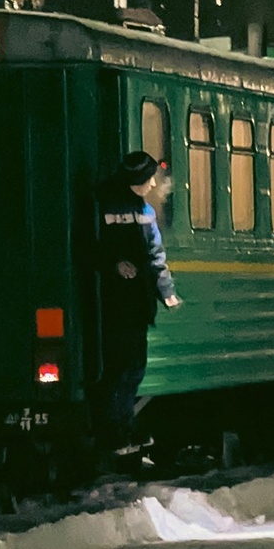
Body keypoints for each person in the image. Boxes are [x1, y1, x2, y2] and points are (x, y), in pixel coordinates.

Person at [90, 151, 181, 456]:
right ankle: (115, 433)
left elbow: (156, 256)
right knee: (123, 370)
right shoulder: (107, 207)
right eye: (149, 178)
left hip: (135, 304)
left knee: (132, 369)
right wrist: (114, 264)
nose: (154, 184)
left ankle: (122, 429)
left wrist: (166, 291)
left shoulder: (142, 210)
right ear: (136, 180)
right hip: (117, 304)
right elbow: (92, 245)